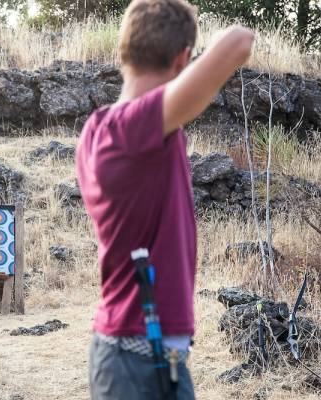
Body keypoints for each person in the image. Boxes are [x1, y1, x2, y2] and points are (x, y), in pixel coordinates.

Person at [76, 0, 255, 398]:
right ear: (181, 60)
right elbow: (239, 41)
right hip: (138, 359)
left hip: (142, 357)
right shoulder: (132, 128)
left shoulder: (99, 127)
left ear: (126, 49)